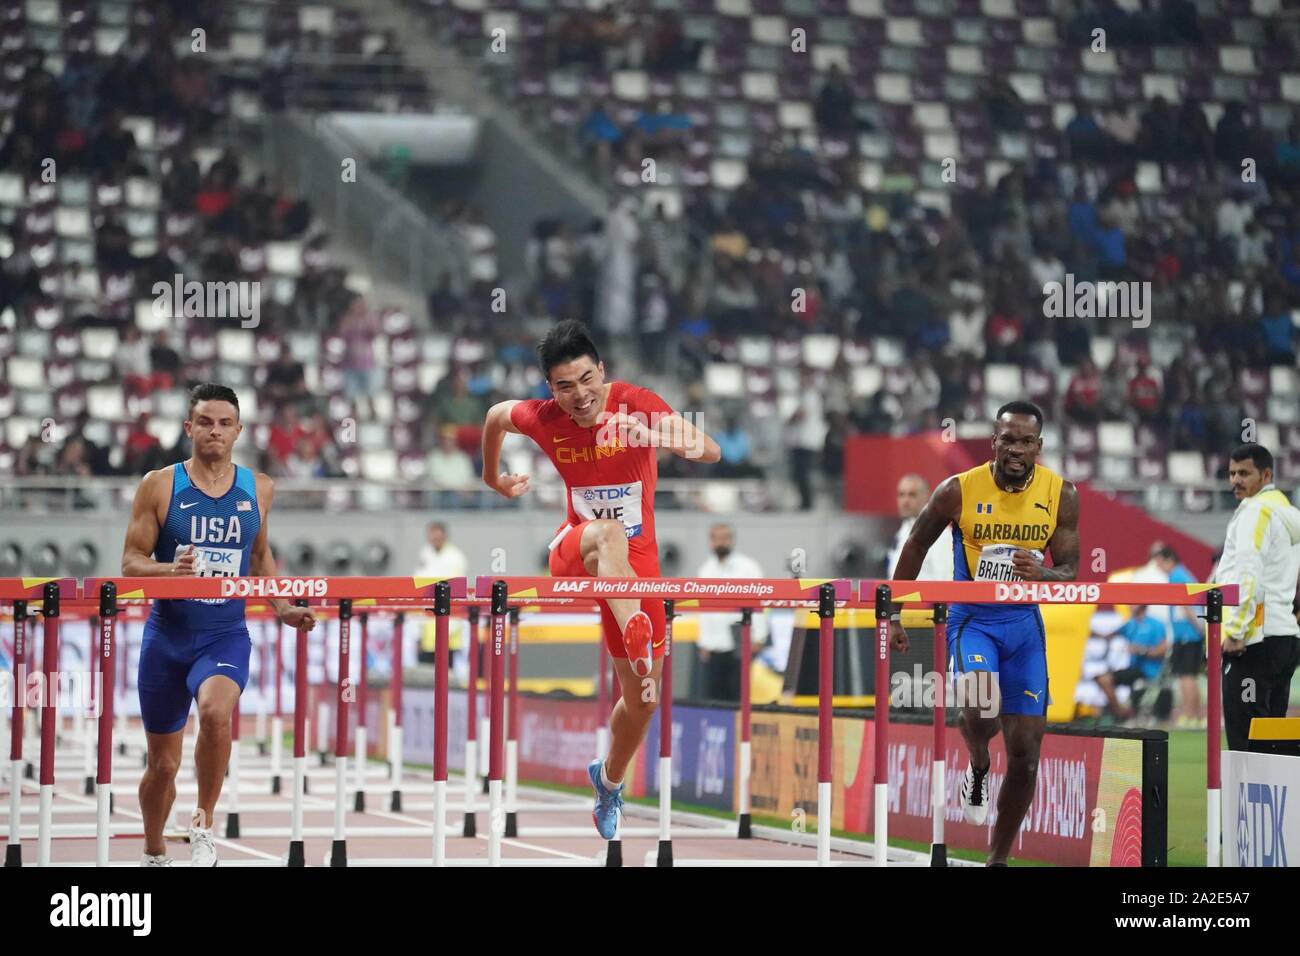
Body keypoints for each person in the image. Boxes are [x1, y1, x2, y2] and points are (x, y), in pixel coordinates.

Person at [479, 320, 719, 838]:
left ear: (601, 370)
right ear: (551, 388)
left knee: (643, 700)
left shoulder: (636, 402)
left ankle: (608, 781)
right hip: (577, 549)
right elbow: (495, 417)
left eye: (587, 380)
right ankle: (635, 633)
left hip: (635, 576)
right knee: (607, 532)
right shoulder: (542, 417)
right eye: (565, 386)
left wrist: (651, 435)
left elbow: (708, 449)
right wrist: (492, 479)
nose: (579, 395)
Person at [120, 384, 317, 866]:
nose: (214, 430)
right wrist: (171, 570)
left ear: (238, 431)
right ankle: (154, 851)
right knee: (162, 766)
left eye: (224, 423)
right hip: (166, 638)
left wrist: (283, 607)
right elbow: (130, 562)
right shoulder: (159, 485)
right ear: (189, 428)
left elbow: (259, 557)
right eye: (205, 421)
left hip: (224, 634)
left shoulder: (259, 487)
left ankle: (203, 823)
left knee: (215, 713)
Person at [888, 400, 1080, 866]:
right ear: (994, 441)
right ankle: (977, 762)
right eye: (1007, 440)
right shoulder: (958, 489)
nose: (1016, 450)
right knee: (980, 708)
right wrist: (894, 612)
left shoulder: (1062, 494)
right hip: (974, 621)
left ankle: (996, 859)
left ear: (1040, 445)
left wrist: (1045, 574)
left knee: (1027, 753)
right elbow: (915, 543)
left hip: (1024, 628)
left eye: (1026, 442)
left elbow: (1072, 568)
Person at [1215, 444, 1300, 752]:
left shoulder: (1254, 510)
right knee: (1274, 742)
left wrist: (1236, 631)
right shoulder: (1289, 513)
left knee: (1246, 743)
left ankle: (1246, 803)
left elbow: (1248, 575)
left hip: (1253, 642)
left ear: (1266, 475)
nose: (1235, 481)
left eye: (1244, 473)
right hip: (1284, 639)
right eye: (1231, 473)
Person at [694, 524, 766, 702]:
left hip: (740, 643)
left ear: (732, 540)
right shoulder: (706, 570)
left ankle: (739, 729)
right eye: (717, 538)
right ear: (710, 541)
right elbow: (703, 611)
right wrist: (703, 642)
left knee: (738, 694)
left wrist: (759, 637)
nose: (721, 542)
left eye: (725, 538)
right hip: (714, 646)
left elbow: (760, 603)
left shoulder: (748, 568)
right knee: (714, 696)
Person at [1152, 545, 1205, 727]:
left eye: (1159, 563)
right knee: (1191, 676)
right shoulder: (1184, 574)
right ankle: (1196, 716)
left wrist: (1199, 628)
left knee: (1185, 676)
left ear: (1168, 560)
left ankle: (1189, 716)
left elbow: (1186, 606)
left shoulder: (1176, 576)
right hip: (1190, 633)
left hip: (1186, 634)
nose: (1158, 567)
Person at [413, 522, 469, 680]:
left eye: (437, 534)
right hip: (426, 626)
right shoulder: (425, 554)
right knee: (424, 676)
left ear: (444, 535)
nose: (434, 538)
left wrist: (451, 625)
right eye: (432, 534)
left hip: (449, 624)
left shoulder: (456, 557)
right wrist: (416, 629)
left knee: (445, 675)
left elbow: (456, 592)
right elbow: (419, 587)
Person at [1093, 605, 1168, 721]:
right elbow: (1108, 635)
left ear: (1142, 605)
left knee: (1105, 679)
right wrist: (1088, 632)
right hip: (1134, 669)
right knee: (1101, 679)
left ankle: (1122, 714)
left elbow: (1162, 650)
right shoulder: (1130, 624)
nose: (1129, 606)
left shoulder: (1156, 624)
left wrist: (1141, 650)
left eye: (1133, 604)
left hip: (1149, 671)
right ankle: (1121, 712)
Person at [886, 474, 954, 580]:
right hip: (900, 595)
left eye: (912, 495)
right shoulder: (902, 532)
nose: (905, 501)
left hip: (924, 596)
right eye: (901, 495)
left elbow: (946, 580)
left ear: (927, 497)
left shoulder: (941, 535)